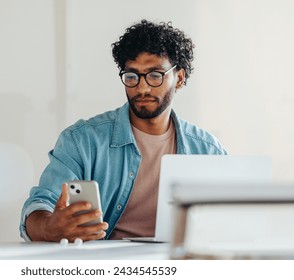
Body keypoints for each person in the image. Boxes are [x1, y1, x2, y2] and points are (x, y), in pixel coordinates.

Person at [20, 19, 227, 242]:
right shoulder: (82, 140)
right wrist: (49, 227)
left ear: (179, 78)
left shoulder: (208, 149)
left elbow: (229, 218)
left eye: (155, 75)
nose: (142, 87)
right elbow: (40, 205)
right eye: (132, 76)